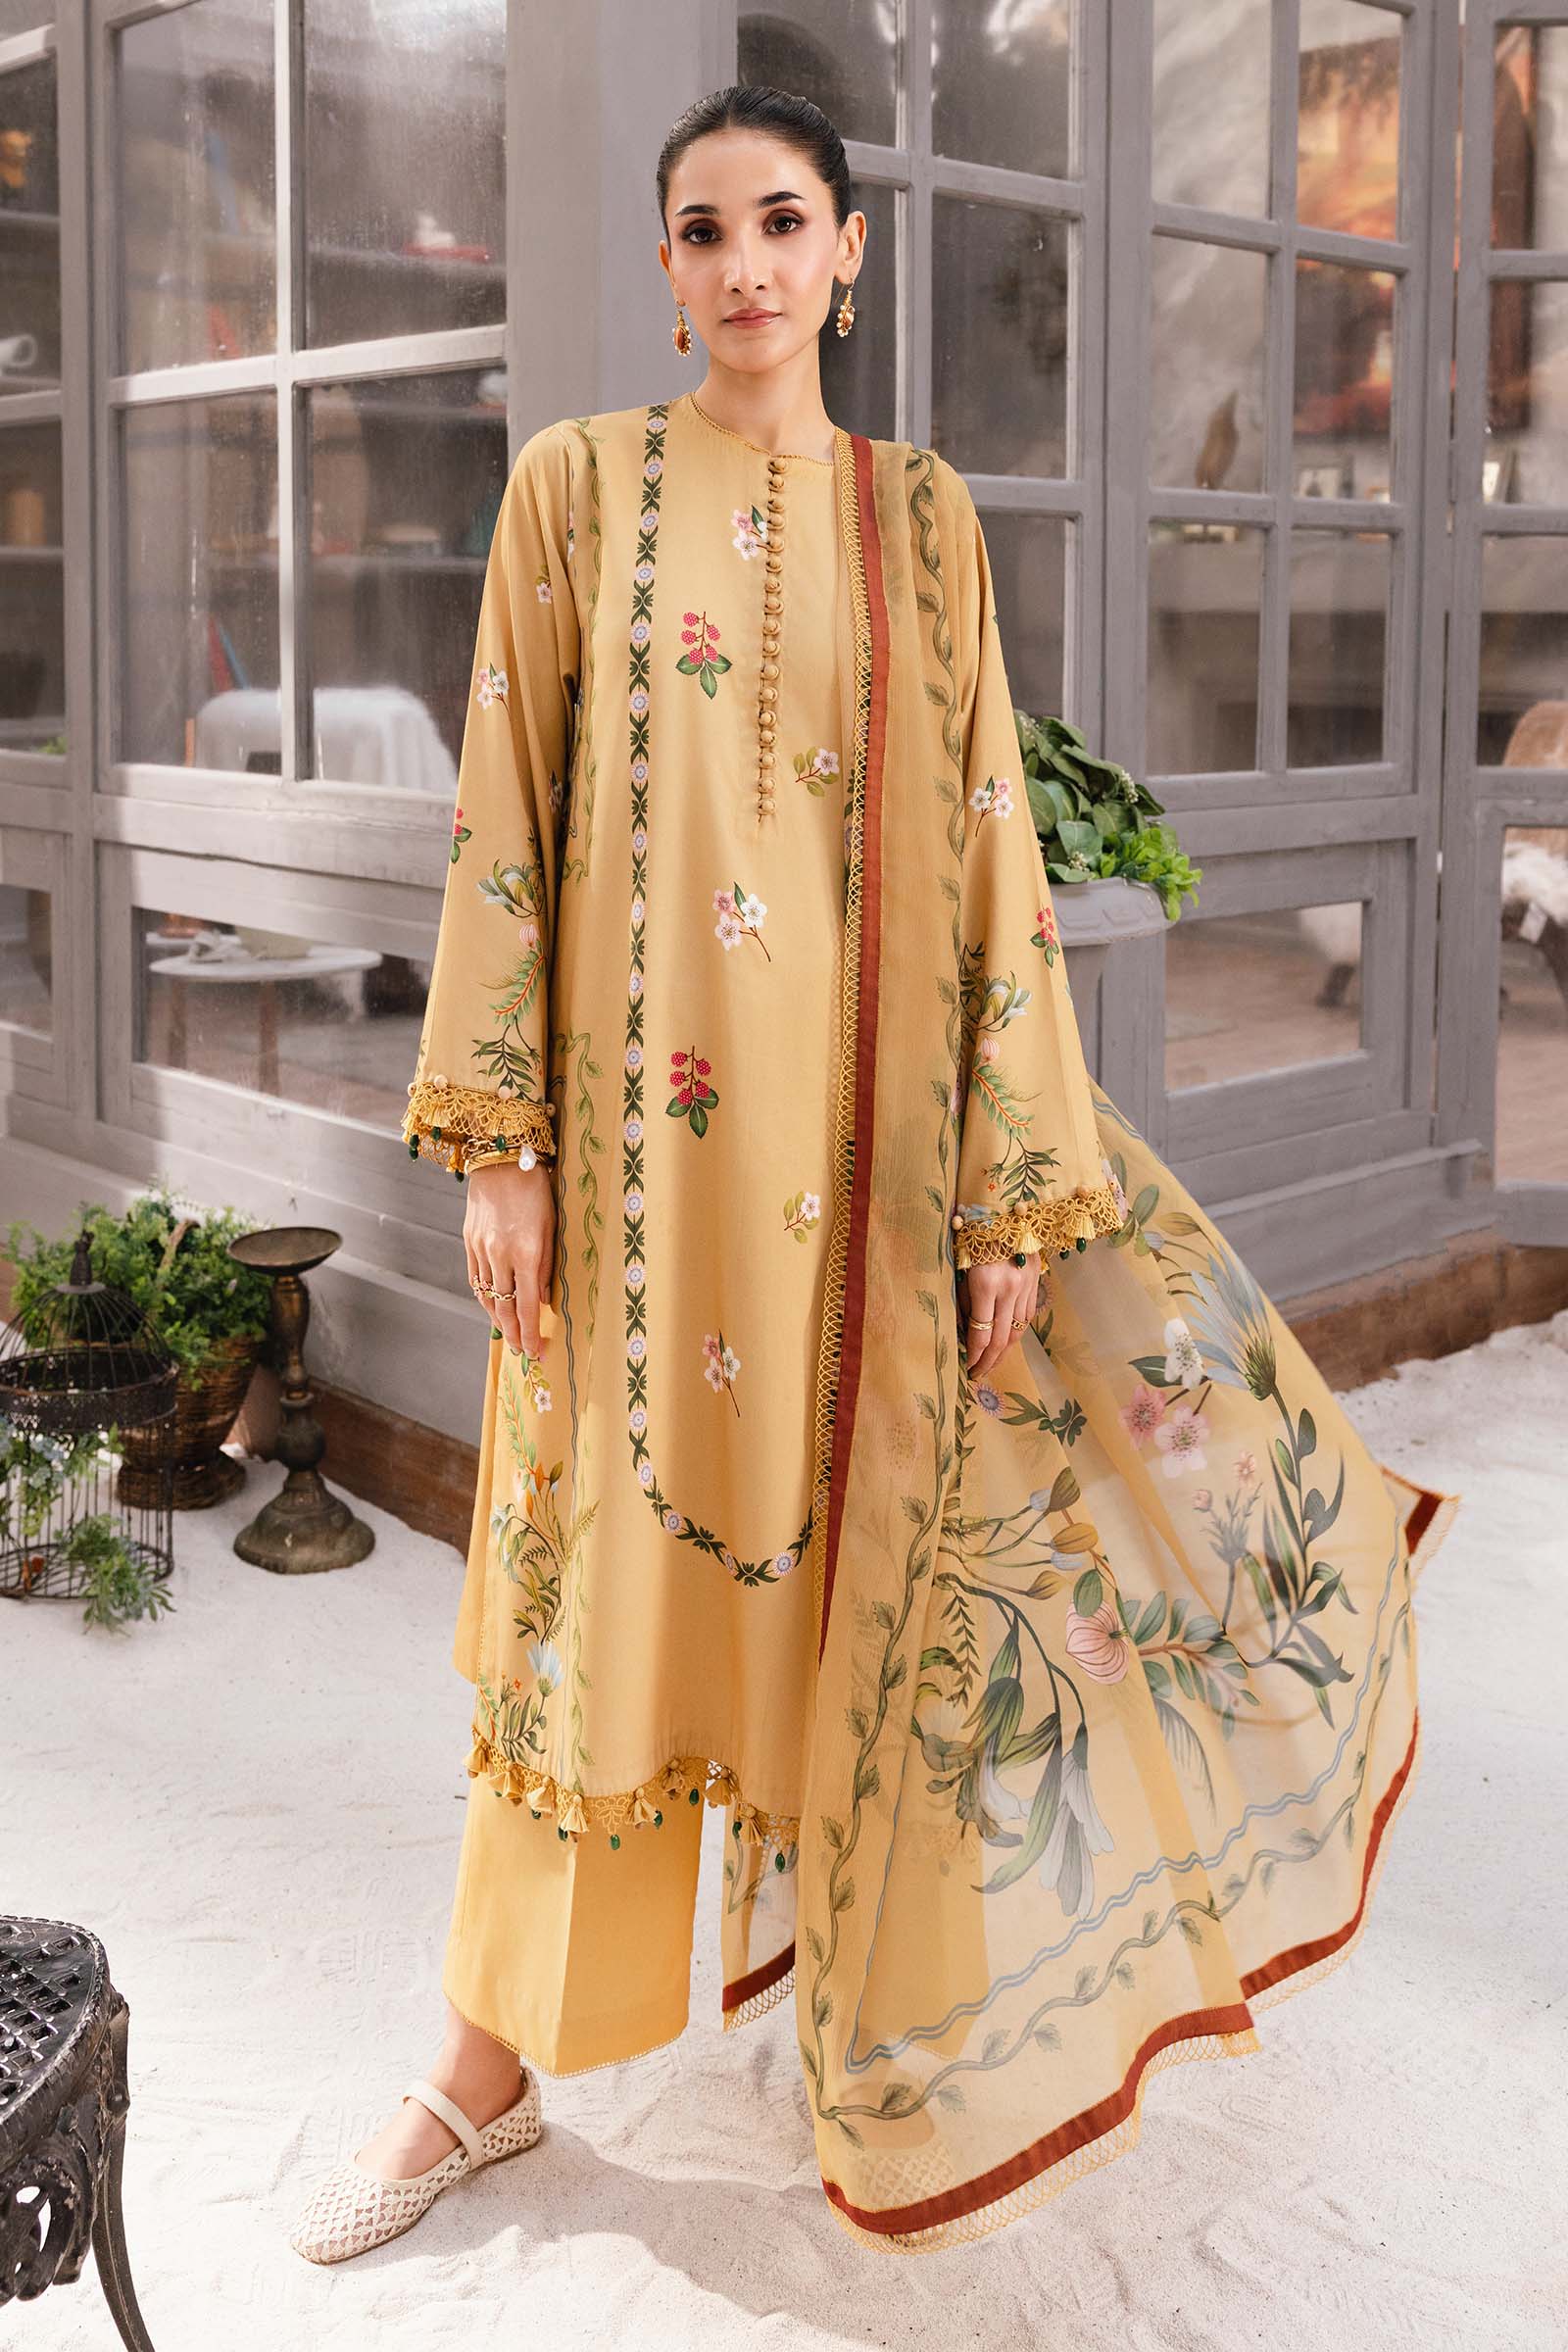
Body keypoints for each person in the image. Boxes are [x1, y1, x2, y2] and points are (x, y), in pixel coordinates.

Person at [289, 84, 1458, 2265]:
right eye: (702, 229)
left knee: (880, 1601)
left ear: (847, 255)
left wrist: (1011, 1190)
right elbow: (503, 826)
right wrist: (502, 1148)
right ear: (667, 268)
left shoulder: (919, 522)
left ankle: (882, 2022)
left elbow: (991, 848)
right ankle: (483, 2068)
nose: (742, 264)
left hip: (863, 1191)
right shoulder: (576, 492)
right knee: (592, 1610)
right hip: (636, 1192)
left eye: (781, 222)